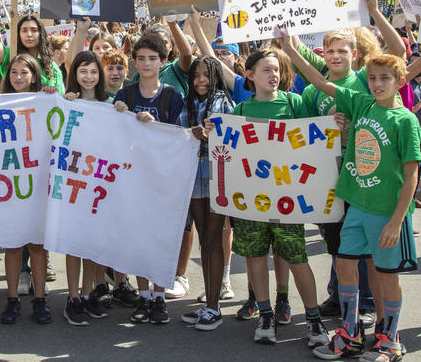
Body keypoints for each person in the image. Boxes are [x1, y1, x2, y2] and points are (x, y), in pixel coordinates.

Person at [282, 39, 419, 361]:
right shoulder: (361, 104)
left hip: (386, 211)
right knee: (345, 263)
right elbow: (318, 81)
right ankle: (350, 333)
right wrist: (290, 47)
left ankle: (390, 338)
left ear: (399, 81)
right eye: (372, 78)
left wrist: (398, 221)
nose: (377, 84)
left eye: (385, 78)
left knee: (387, 275)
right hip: (355, 204)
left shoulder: (405, 120)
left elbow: (412, 174)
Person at [205, 49, 328, 348]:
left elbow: (318, 139)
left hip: (288, 201)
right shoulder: (240, 108)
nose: (273, 75)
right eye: (266, 70)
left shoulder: (293, 102)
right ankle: (265, 314)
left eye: (276, 70)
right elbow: (229, 151)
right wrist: (213, 131)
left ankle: (314, 320)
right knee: (256, 258)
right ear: (250, 75)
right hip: (251, 201)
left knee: (298, 259)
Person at [113, 34, 184, 325]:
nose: (146, 63)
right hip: (132, 179)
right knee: (139, 239)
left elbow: (181, 139)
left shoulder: (172, 96)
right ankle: (144, 296)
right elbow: (112, 135)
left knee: (161, 239)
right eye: (140, 58)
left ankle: (159, 296)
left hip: (163, 180)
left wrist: (156, 127)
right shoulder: (125, 95)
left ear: (163, 61)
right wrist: (117, 115)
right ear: (134, 61)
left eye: (152, 58)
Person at [0, 54, 53, 326]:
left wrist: (55, 95)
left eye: (24, 72)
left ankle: (40, 299)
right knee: (12, 245)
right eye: (14, 72)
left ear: (34, 75)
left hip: (37, 183)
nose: (18, 77)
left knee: (37, 245)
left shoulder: (44, 100)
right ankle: (12, 300)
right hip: (8, 184)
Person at [179, 56, 234, 331]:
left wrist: (212, 133)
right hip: (193, 176)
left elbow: (234, 133)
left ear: (215, 77)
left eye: (206, 76)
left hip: (216, 176)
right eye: (196, 76)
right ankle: (208, 304)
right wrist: (191, 132)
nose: (201, 81)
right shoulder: (188, 101)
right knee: (204, 238)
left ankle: (214, 306)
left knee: (213, 238)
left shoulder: (222, 100)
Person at [61, 51, 111, 326]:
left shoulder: (111, 103)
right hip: (73, 182)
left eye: (93, 72)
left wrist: (124, 115)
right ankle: (72, 298)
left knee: (92, 242)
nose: (89, 77)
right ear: (74, 75)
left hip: (99, 183)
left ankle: (89, 293)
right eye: (83, 72)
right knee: (74, 243)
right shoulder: (67, 103)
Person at [0, 0, 64, 93]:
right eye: (24, 30)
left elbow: (61, 99)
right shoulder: (10, 56)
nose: (29, 34)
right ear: (18, 34)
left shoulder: (52, 67)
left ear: (41, 34)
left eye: (34, 30)